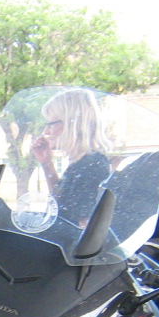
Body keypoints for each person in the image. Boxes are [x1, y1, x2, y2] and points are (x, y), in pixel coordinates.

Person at [31, 88, 112, 225]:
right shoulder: (80, 163)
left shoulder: (91, 166)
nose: (47, 131)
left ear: (72, 123)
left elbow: (83, 226)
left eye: (51, 124)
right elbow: (60, 204)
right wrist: (46, 163)